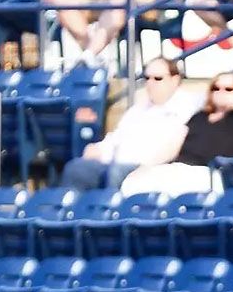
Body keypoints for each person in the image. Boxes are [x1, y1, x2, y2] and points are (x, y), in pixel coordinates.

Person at [119, 69, 233, 197]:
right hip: (178, 169)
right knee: (132, 184)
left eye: (228, 89)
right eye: (216, 88)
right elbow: (172, 147)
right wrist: (145, 167)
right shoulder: (198, 117)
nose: (221, 92)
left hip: (207, 173)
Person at [60, 57, 197, 191]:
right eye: (147, 78)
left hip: (149, 168)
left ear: (175, 80)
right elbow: (117, 137)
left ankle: (109, 210)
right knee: (76, 169)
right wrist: (98, 149)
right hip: (115, 163)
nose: (150, 83)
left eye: (158, 78)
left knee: (116, 173)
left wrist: (146, 166)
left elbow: (173, 147)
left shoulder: (186, 108)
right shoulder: (139, 108)